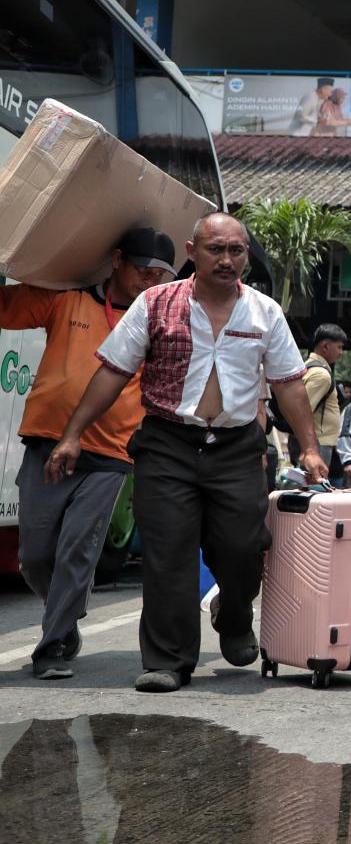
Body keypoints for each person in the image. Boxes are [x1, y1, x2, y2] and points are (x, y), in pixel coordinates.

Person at [45, 212, 330, 693]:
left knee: (244, 547)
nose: (226, 260)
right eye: (215, 249)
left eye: (236, 251)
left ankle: (234, 617)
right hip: (167, 444)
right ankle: (168, 660)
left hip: (237, 448)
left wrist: (309, 448)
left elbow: (288, 384)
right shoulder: (155, 304)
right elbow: (113, 371)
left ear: (245, 255)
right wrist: (73, 434)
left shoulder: (265, 312)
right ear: (191, 251)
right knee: (168, 553)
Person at [0, 227, 176, 680]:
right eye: (143, 270)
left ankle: (53, 643)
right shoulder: (69, 299)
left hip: (111, 453)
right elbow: (7, 310)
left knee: (79, 547)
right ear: (116, 260)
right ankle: (63, 615)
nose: (150, 281)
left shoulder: (159, 323)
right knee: (35, 556)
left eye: (159, 275)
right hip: (47, 441)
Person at [298, 323, 347, 476]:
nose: (341, 352)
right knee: (315, 491)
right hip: (318, 444)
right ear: (325, 346)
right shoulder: (321, 375)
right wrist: (308, 448)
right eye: (339, 347)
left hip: (313, 443)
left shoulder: (307, 366)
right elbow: (302, 413)